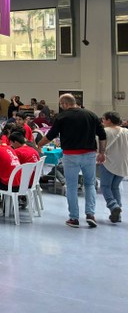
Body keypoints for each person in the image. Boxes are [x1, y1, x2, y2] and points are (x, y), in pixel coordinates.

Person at [37, 94, 106, 228]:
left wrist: (39, 144)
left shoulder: (62, 117)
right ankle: (90, 214)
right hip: (89, 154)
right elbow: (102, 135)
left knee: (72, 186)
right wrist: (102, 152)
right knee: (90, 184)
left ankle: (74, 218)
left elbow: (51, 135)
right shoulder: (91, 115)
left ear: (64, 104)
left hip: (71, 155)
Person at [99, 112, 128, 223]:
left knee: (105, 186)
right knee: (115, 187)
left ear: (109, 120)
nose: (102, 121)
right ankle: (117, 214)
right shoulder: (125, 131)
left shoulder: (104, 132)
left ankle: (113, 205)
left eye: (104, 119)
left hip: (108, 162)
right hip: (123, 163)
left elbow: (98, 146)